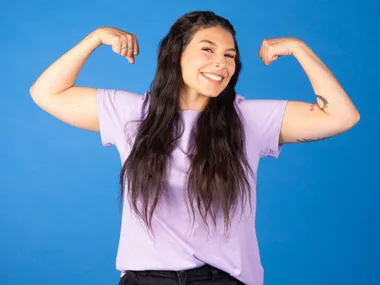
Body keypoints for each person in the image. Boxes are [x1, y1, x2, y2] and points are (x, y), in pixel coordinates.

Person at [29, 10, 360, 285]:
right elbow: (47, 93)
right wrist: (95, 38)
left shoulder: (251, 119)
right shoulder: (131, 113)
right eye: (208, 49)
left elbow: (342, 117)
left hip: (223, 280)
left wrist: (300, 48)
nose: (221, 63)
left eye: (229, 56)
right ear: (177, 53)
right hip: (146, 280)